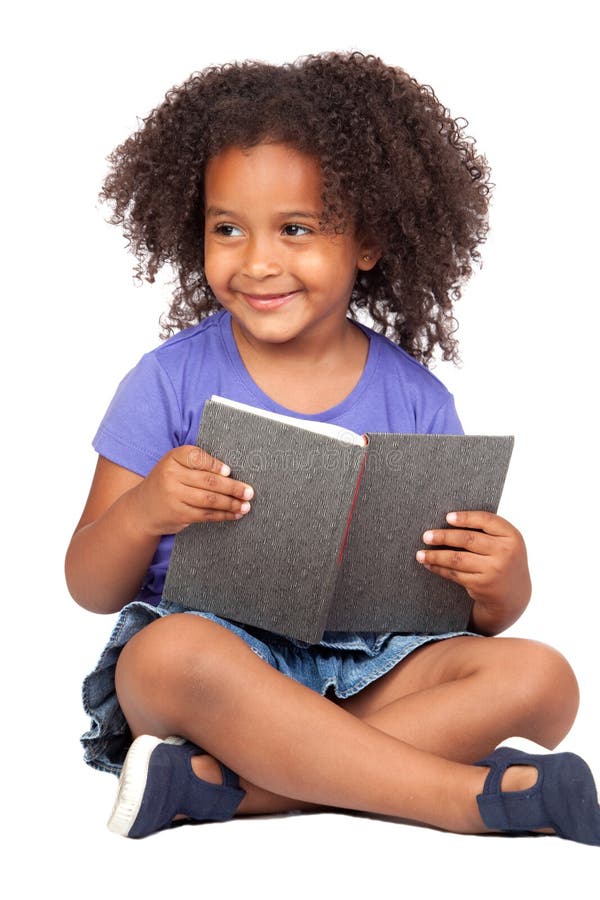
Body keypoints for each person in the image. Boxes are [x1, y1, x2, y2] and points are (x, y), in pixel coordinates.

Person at [65, 51, 600, 844]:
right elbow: (88, 584)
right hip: (221, 679)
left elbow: (468, 617)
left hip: (370, 673)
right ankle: (461, 799)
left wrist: (502, 581)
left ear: (369, 243)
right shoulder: (166, 381)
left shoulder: (418, 398)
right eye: (227, 229)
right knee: (164, 655)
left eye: (296, 228)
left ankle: (234, 790)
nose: (257, 261)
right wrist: (147, 509)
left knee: (544, 679)